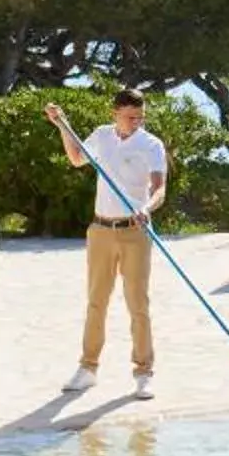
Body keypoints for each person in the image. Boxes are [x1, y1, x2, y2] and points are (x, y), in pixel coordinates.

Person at [47, 90, 168, 401]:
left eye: (141, 117)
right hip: (100, 229)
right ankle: (88, 369)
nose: (137, 122)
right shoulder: (101, 136)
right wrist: (62, 125)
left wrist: (147, 207)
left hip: (135, 231)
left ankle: (143, 372)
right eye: (131, 117)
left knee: (137, 304)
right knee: (96, 301)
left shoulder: (151, 144)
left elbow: (159, 189)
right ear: (115, 112)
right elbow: (76, 159)